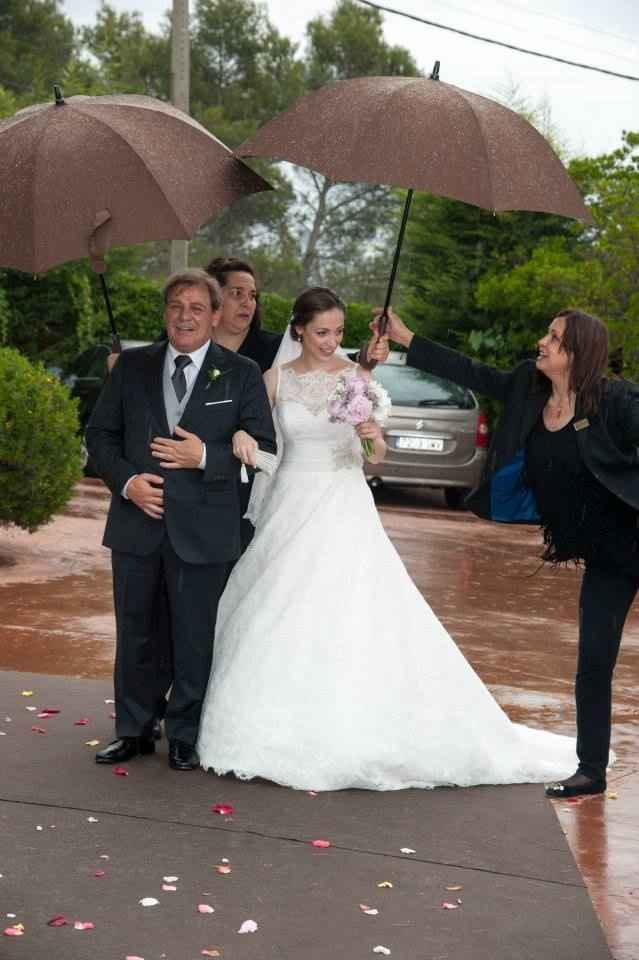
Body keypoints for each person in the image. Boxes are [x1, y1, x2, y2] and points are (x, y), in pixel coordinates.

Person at [196, 287, 577, 792]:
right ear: (298, 331)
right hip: (289, 500)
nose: (332, 341)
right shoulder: (272, 379)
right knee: (277, 603)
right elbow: (260, 446)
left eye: (338, 332)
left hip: (341, 503)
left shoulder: (357, 380)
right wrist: (242, 440)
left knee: (349, 605)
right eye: (322, 332)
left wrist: (369, 430)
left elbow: (376, 460)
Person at [376, 306, 639, 798]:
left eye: (554, 338)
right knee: (594, 658)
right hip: (610, 554)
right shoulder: (528, 388)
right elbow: (472, 373)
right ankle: (590, 771)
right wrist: (407, 338)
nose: (542, 342)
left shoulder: (617, 401)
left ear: (578, 353)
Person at [86, 269, 276, 771]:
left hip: (206, 530)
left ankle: (186, 734)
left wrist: (207, 458)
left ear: (215, 316)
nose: (185, 316)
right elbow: (100, 436)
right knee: (135, 633)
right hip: (136, 523)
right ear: (165, 312)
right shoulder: (130, 366)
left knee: (194, 636)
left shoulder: (242, 373)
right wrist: (128, 483)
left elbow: (269, 453)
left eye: (197, 307)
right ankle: (133, 729)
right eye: (176, 305)